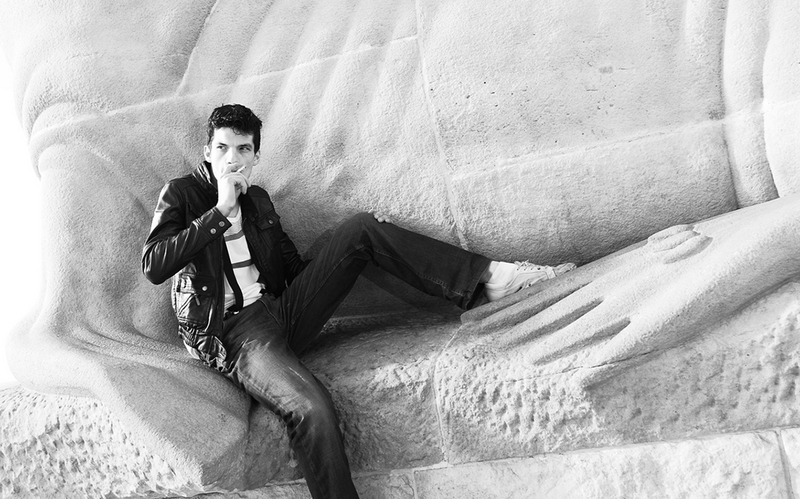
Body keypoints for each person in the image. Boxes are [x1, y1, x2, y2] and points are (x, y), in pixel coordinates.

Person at [141, 103, 575, 499]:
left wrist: (360, 238)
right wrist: (219, 212)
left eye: (242, 149)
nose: (231, 159)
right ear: (207, 151)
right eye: (222, 148)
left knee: (362, 227)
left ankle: (491, 282)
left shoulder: (257, 200)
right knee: (309, 408)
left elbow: (293, 270)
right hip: (234, 335)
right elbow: (154, 264)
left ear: (255, 156)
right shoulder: (181, 194)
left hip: (279, 310)